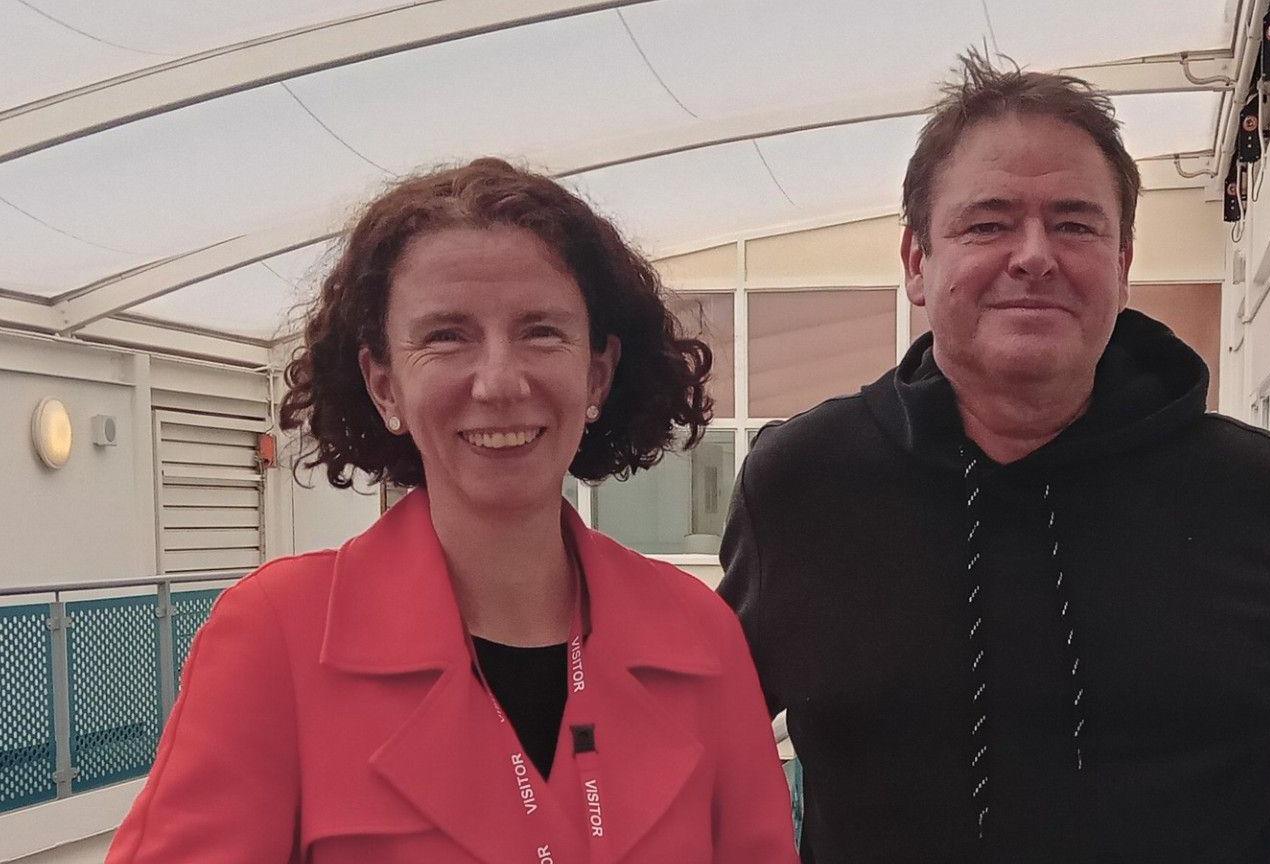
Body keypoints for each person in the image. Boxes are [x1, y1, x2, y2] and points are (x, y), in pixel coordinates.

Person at [718, 52, 1270, 863]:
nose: (1034, 255)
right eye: (988, 223)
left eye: (1075, 223)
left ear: (1123, 265)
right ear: (918, 264)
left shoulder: (1255, 496)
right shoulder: (805, 487)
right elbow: (693, 753)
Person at [108, 158, 798, 864]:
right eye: (446, 336)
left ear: (597, 373)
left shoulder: (701, 640)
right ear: (384, 385)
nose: (499, 380)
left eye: (541, 331)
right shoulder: (275, 640)